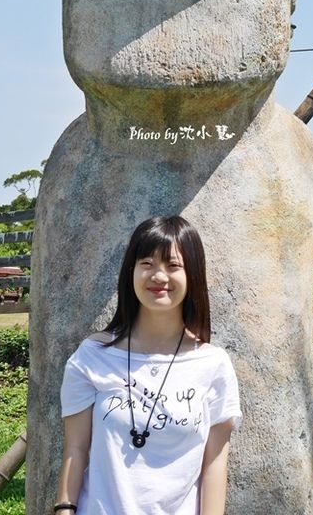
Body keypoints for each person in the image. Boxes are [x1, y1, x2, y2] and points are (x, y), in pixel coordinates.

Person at [54, 216, 241, 515]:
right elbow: (75, 449)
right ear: (131, 270)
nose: (159, 276)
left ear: (193, 274)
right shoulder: (92, 356)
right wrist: (64, 510)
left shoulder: (213, 364)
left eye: (173, 265)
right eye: (147, 263)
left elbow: (215, 464)